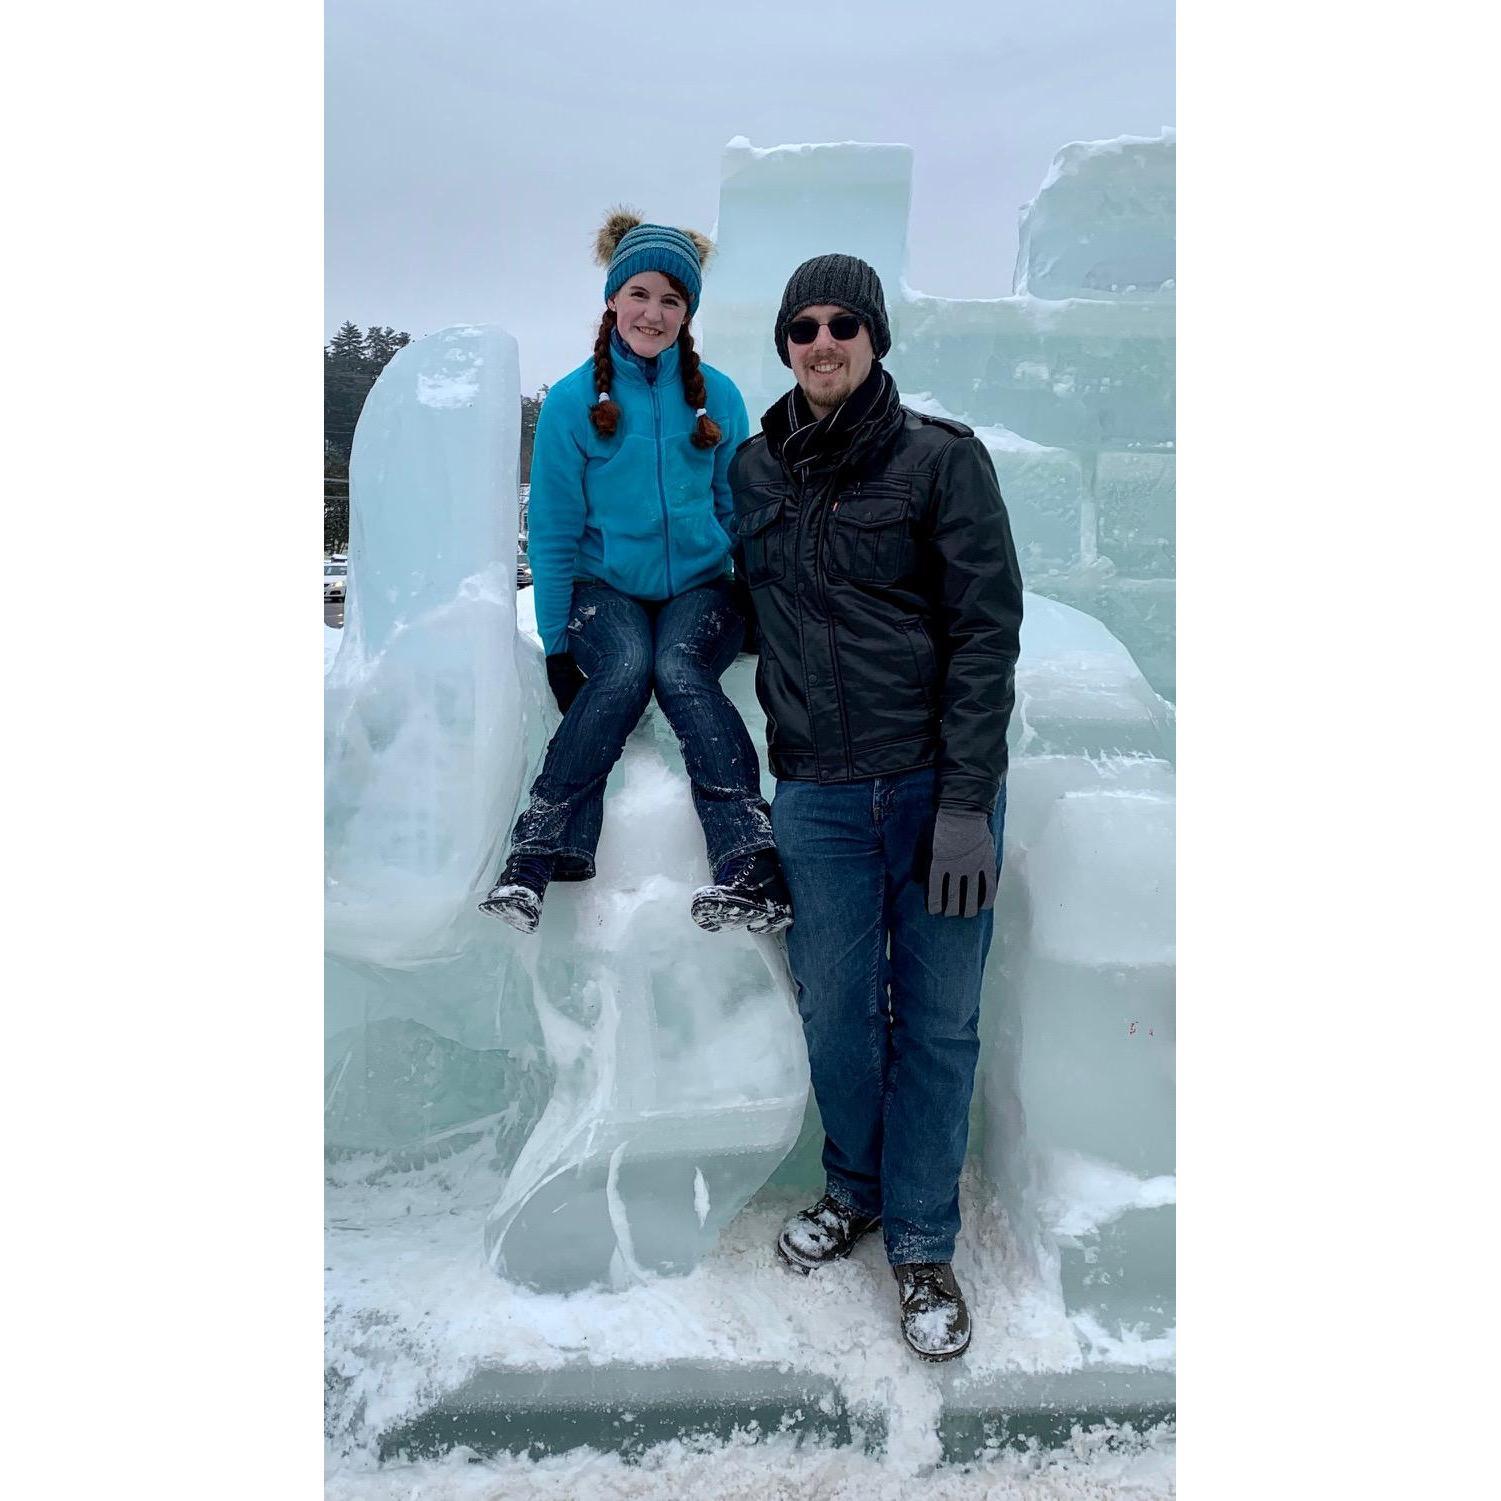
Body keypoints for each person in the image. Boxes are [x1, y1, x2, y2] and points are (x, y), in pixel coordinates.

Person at [728, 254, 1024, 1361]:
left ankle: (923, 1241)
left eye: (842, 323)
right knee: (837, 1014)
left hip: (933, 788)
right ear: (785, 343)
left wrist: (965, 802)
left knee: (938, 1020)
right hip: (814, 793)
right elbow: (738, 601)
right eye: (802, 325)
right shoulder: (754, 469)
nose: (822, 341)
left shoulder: (940, 460)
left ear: (875, 336)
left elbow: (986, 633)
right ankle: (853, 1186)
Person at [481, 211, 792, 936]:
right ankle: (538, 852)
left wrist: (757, 607)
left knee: (679, 667)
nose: (653, 312)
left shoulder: (719, 396)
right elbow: (553, 528)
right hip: (605, 590)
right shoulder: (571, 402)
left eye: (671, 300)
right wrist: (558, 642)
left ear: (687, 313)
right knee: (622, 667)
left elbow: (739, 512)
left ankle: (750, 859)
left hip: (701, 589)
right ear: (613, 298)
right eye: (640, 294)